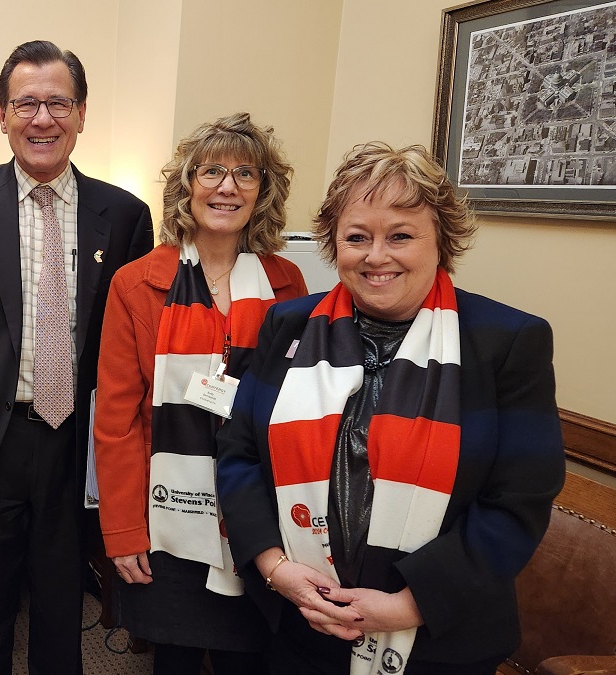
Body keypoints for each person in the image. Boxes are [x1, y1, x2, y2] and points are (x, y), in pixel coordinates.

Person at [215, 142, 565, 674]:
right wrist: (273, 565)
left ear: (441, 240)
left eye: (401, 235)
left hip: (440, 640)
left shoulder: (508, 341)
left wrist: (408, 604)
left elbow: (518, 502)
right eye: (357, 237)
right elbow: (239, 454)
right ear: (336, 245)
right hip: (302, 620)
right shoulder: (285, 325)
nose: (376, 256)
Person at [0, 39, 154, 675]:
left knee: (60, 600)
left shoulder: (125, 215)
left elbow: (129, 348)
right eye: (26, 104)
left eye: (57, 103)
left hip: (76, 442)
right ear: (2, 114)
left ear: (80, 114)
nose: (41, 119)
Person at [94, 113, 307, 674]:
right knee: (177, 661)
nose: (227, 185)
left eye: (245, 173)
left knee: (250, 662)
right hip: (166, 514)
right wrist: (121, 530)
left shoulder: (287, 285)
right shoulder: (136, 283)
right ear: (187, 186)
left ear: (263, 192)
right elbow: (117, 420)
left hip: (257, 519)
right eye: (211, 170)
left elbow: (296, 413)